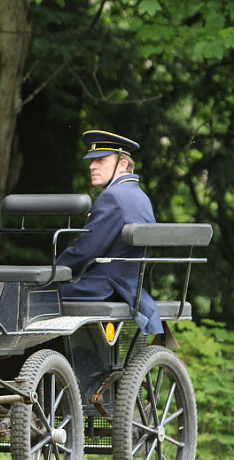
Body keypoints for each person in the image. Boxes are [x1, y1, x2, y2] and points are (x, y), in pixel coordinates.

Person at [56, 130, 163, 335]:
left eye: (100, 160)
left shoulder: (113, 197)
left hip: (104, 287)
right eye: (91, 161)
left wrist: (53, 271)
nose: (91, 166)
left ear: (123, 164)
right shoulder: (140, 197)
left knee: (35, 293)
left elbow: (86, 250)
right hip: (128, 286)